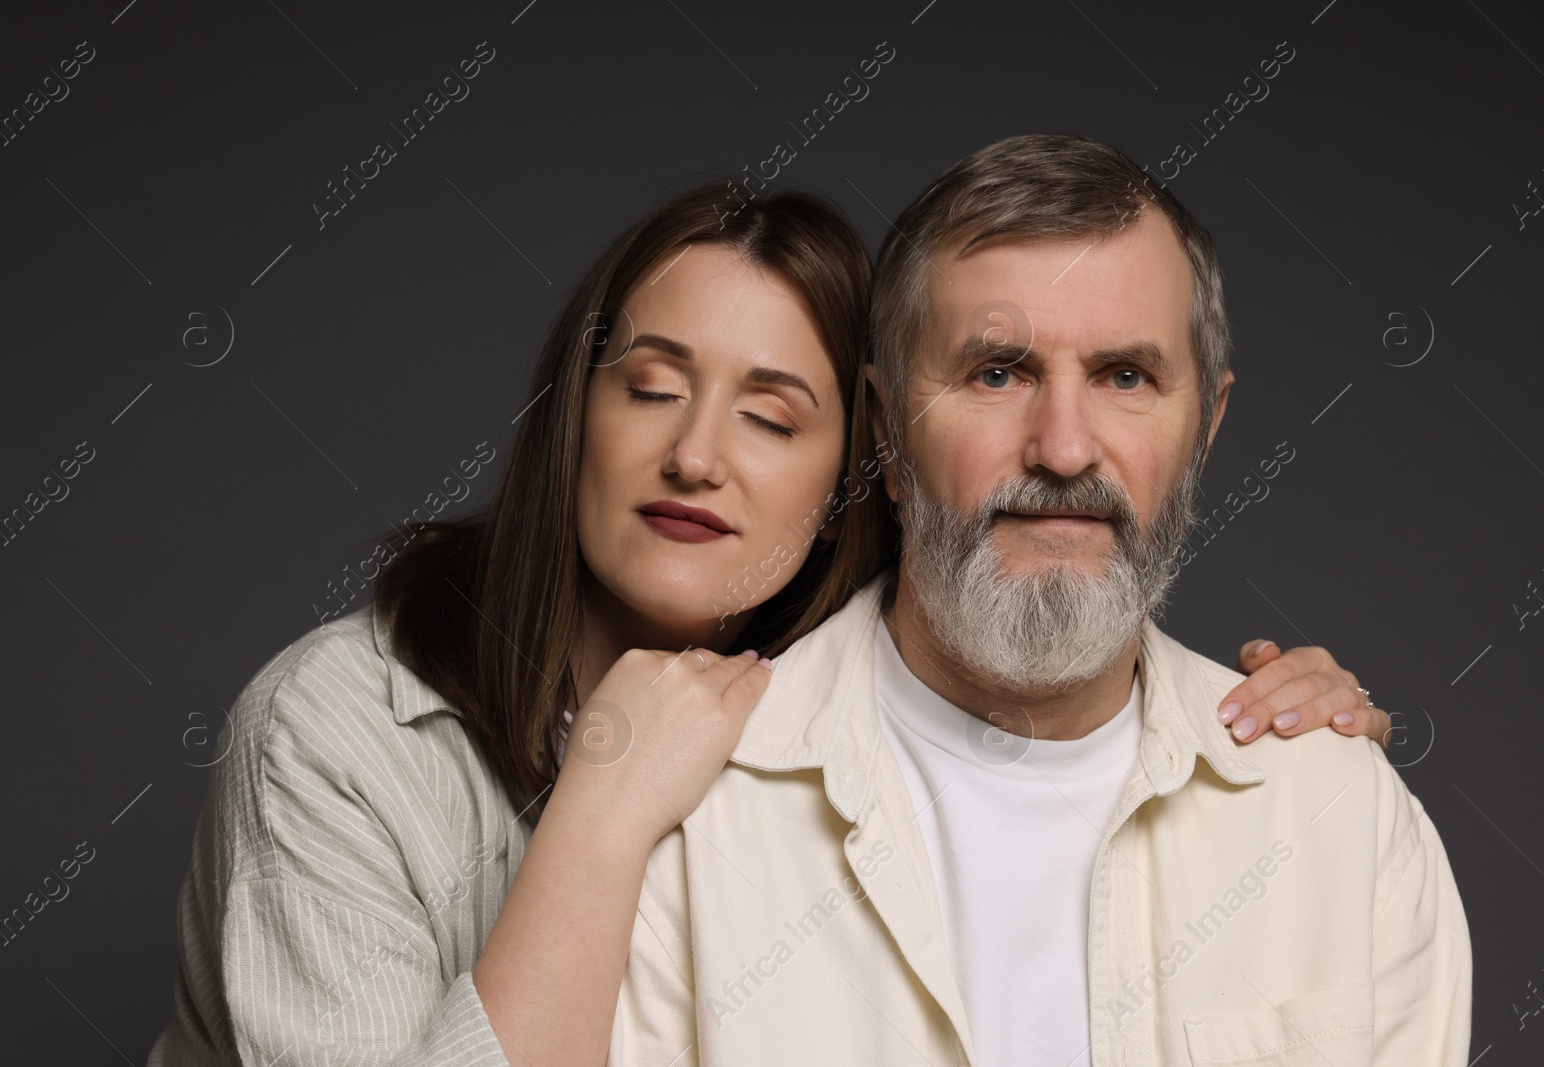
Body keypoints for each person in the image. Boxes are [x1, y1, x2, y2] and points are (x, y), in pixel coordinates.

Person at [145, 178, 1392, 1067]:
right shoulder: (335, 729)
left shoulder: (827, 734)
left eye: (772, 415)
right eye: (650, 389)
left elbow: (1055, 584)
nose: (694, 455)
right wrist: (606, 798)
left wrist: (1263, 719)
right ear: (569, 412)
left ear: (870, 460)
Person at [602, 136, 1472, 1067]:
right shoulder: (686, 813)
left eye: (1125, 377)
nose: (1062, 449)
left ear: (1206, 430)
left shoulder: (1342, 818)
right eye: (997, 373)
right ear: (889, 426)